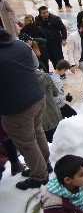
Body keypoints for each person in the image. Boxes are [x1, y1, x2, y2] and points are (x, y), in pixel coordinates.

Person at [0, 27, 52, 190]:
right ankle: (45, 165)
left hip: (17, 107)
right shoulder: (22, 46)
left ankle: (39, 176)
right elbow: (34, 65)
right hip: (36, 98)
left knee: (26, 143)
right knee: (38, 132)